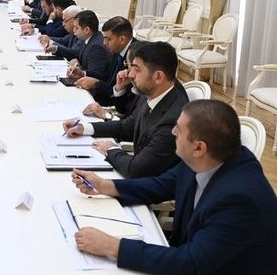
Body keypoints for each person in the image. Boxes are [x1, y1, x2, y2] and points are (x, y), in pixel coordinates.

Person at [71, 100, 277, 274]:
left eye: (178, 129)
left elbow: (191, 262)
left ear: (199, 147)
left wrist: (113, 247)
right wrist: (105, 185)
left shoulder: (240, 200)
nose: (172, 132)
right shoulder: (207, 158)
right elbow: (161, 185)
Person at [64, 41, 188, 178]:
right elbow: (126, 127)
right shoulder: (153, 95)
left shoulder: (174, 120)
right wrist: (85, 128)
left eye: (137, 69)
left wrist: (111, 149)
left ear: (158, 76)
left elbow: (136, 169)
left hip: (150, 185)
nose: (131, 75)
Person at [74, 16, 137, 105]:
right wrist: (83, 73)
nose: (104, 43)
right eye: (104, 38)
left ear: (122, 39)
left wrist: (96, 84)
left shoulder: (135, 56)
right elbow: (107, 76)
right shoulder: (118, 49)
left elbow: (126, 95)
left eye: (108, 39)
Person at [65, 10, 111, 82]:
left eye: (76, 28)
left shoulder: (96, 47)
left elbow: (94, 76)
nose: (74, 30)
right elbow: (76, 54)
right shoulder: (88, 38)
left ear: (86, 30)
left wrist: (77, 67)